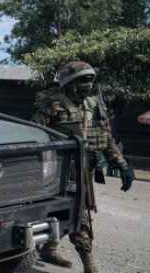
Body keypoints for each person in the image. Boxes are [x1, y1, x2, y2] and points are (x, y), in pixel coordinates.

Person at [33, 61, 134, 273]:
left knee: (72, 211)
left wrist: (122, 164)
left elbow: (105, 138)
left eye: (90, 80)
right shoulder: (53, 104)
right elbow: (33, 133)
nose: (87, 85)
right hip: (57, 171)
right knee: (74, 213)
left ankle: (49, 249)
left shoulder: (95, 105)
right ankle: (90, 266)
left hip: (84, 170)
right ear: (68, 83)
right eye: (82, 80)